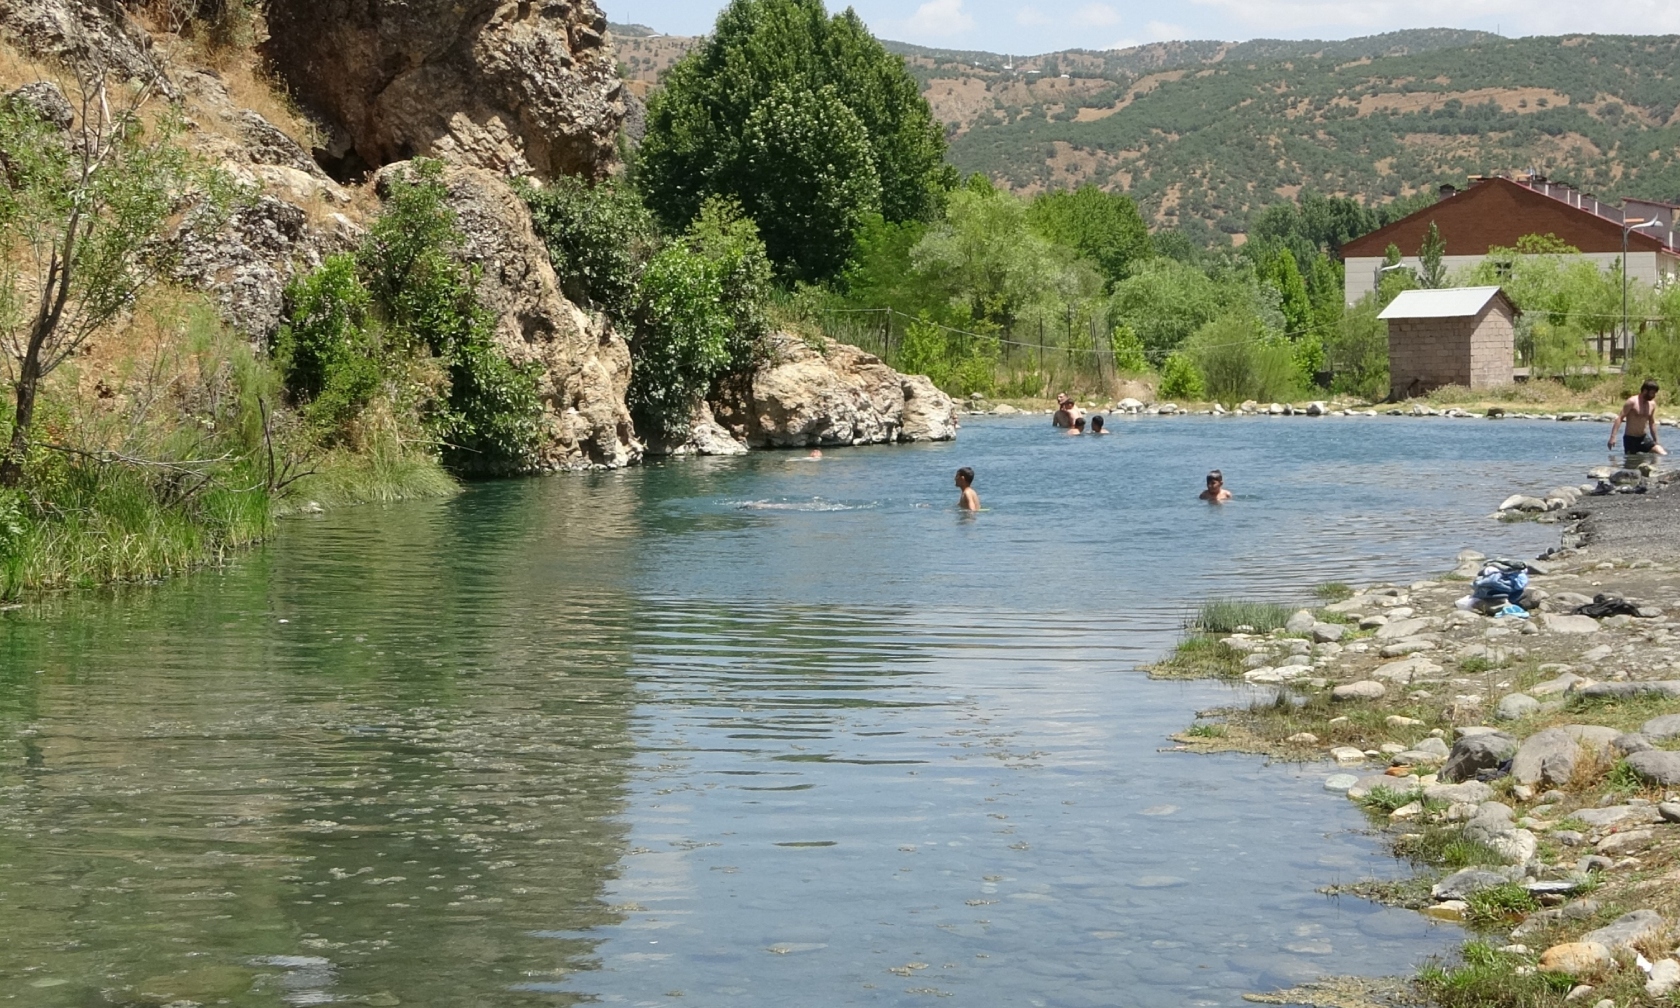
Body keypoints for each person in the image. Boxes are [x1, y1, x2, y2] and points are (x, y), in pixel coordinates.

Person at [1609, 379, 1667, 457]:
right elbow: (1620, 418)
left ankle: (1658, 469)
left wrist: (1656, 440)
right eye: (1652, 393)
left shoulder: (1652, 404)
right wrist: (1613, 437)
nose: (1654, 396)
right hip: (1630, 439)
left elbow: (1652, 422)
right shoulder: (1632, 402)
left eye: (1655, 393)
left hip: (1643, 437)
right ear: (1645, 391)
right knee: (1631, 463)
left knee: (1661, 453)